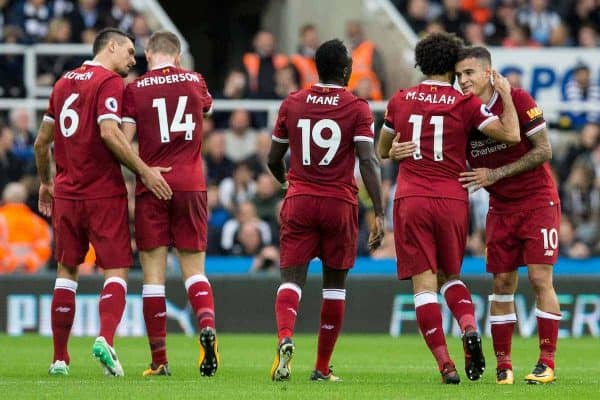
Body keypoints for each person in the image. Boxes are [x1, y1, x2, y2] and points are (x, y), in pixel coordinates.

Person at [379, 32, 520, 384]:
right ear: (453, 66)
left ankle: (446, 365)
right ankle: (469, 327)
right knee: (450, 278)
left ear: (421, 63)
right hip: (453, 197)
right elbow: (510, 134)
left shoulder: (400, 100)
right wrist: (505, 94)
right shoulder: (465, 104)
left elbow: (383, 149)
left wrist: (394, 152)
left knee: (423, 286)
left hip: (411, 198)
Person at [34, 27, 172, 377]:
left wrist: (46, 182)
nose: (131, 59)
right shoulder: (109, 82)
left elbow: (40, 143)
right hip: (103, 192)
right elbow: (109, 132)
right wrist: (144, 171)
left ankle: (59, 360)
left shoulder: (63, 82)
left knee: (67, 273)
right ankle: (106, 339)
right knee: (117, 270)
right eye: (128, 51)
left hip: (65, 192)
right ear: (110, 47)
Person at [268, 38, 385, 382]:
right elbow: (368, 160)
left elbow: (273, 159)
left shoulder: (293, 102)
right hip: (339, 203)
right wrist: (379, 210)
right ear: (347, 70)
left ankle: (285, 336)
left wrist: (286, 183)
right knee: (334, 286)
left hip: (300, 199)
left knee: (292, 280)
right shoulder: (357, 107)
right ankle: (321, 367)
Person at [454, 46, 561, 385]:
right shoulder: (464, 113)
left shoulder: (518, 98)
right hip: (501, 209)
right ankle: (504, 365)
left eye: (469, 73)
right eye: (458, 75)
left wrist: (495, 175)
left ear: (488, 72)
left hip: (537, 202)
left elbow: (545, 150)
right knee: (501, 283)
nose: (463, 80)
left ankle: (546, 362)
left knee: (541, 279)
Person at [121, 30, 219, 377]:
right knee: (195, 271)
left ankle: (159, 360)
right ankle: (206, 326)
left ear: (148, 53)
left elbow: (124, 141)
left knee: (153, 278)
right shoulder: (195, 81)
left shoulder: (134, 89)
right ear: (177, 56)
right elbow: (206, 110)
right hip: (191, 184)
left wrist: (144, 170)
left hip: (152, 182)